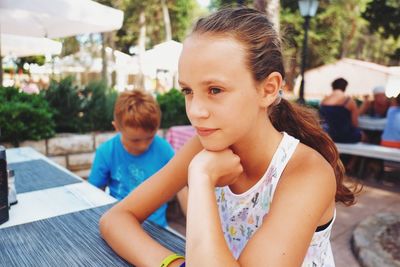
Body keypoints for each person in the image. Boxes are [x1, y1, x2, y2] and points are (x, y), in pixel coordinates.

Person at [99, 7, 358, 266]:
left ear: (268, 89)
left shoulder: (306, 173)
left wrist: (200, 178)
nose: (195, 111)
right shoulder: (203, 147)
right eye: (187, 91)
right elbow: (116, 218)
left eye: (215, 89)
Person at [88, 90, 175, 228]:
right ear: (117, 127)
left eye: (150, 137)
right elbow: (94, 195)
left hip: (158, 228)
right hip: (121, 225)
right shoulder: (106, 152)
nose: (143, 145)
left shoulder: (164, 149)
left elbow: (183, 189)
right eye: (135, 140)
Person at [319, 78, 362, 143]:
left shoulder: (323, 101)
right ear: (345, 87)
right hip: (345, 136)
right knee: (365, 136)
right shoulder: (349, 101)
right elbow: (355, 124)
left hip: (327, 136)